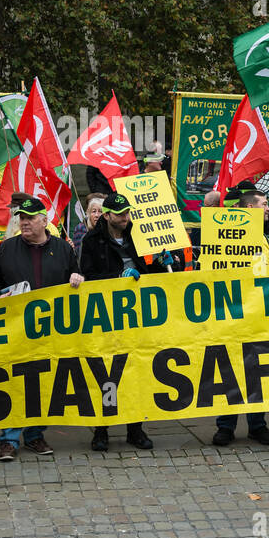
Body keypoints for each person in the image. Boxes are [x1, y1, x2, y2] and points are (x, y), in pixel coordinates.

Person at [0, 196, 83, 460]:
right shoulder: (7, 248)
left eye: (30, 218)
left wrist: (77, 278)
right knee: (14, 382)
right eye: (21, 218)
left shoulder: (64, 249)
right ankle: (8, 439)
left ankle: (34, 435)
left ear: (45, 221)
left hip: (51, 331)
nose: (24, 222)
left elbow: (75, 277)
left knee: (44, 383)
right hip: (16, 330)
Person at [80, 192, 161, 451]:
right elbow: (89, 275)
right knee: (106, 372)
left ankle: (135, 429)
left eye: (127, 212)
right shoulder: (93, 240)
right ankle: (102, 430)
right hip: (107, 317)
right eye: (120, 213)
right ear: (107, 216)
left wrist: (163, 261)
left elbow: (150, 272)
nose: (125, 217)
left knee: (135, 371)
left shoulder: (139, 236)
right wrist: (118, 275)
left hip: (136, 317)